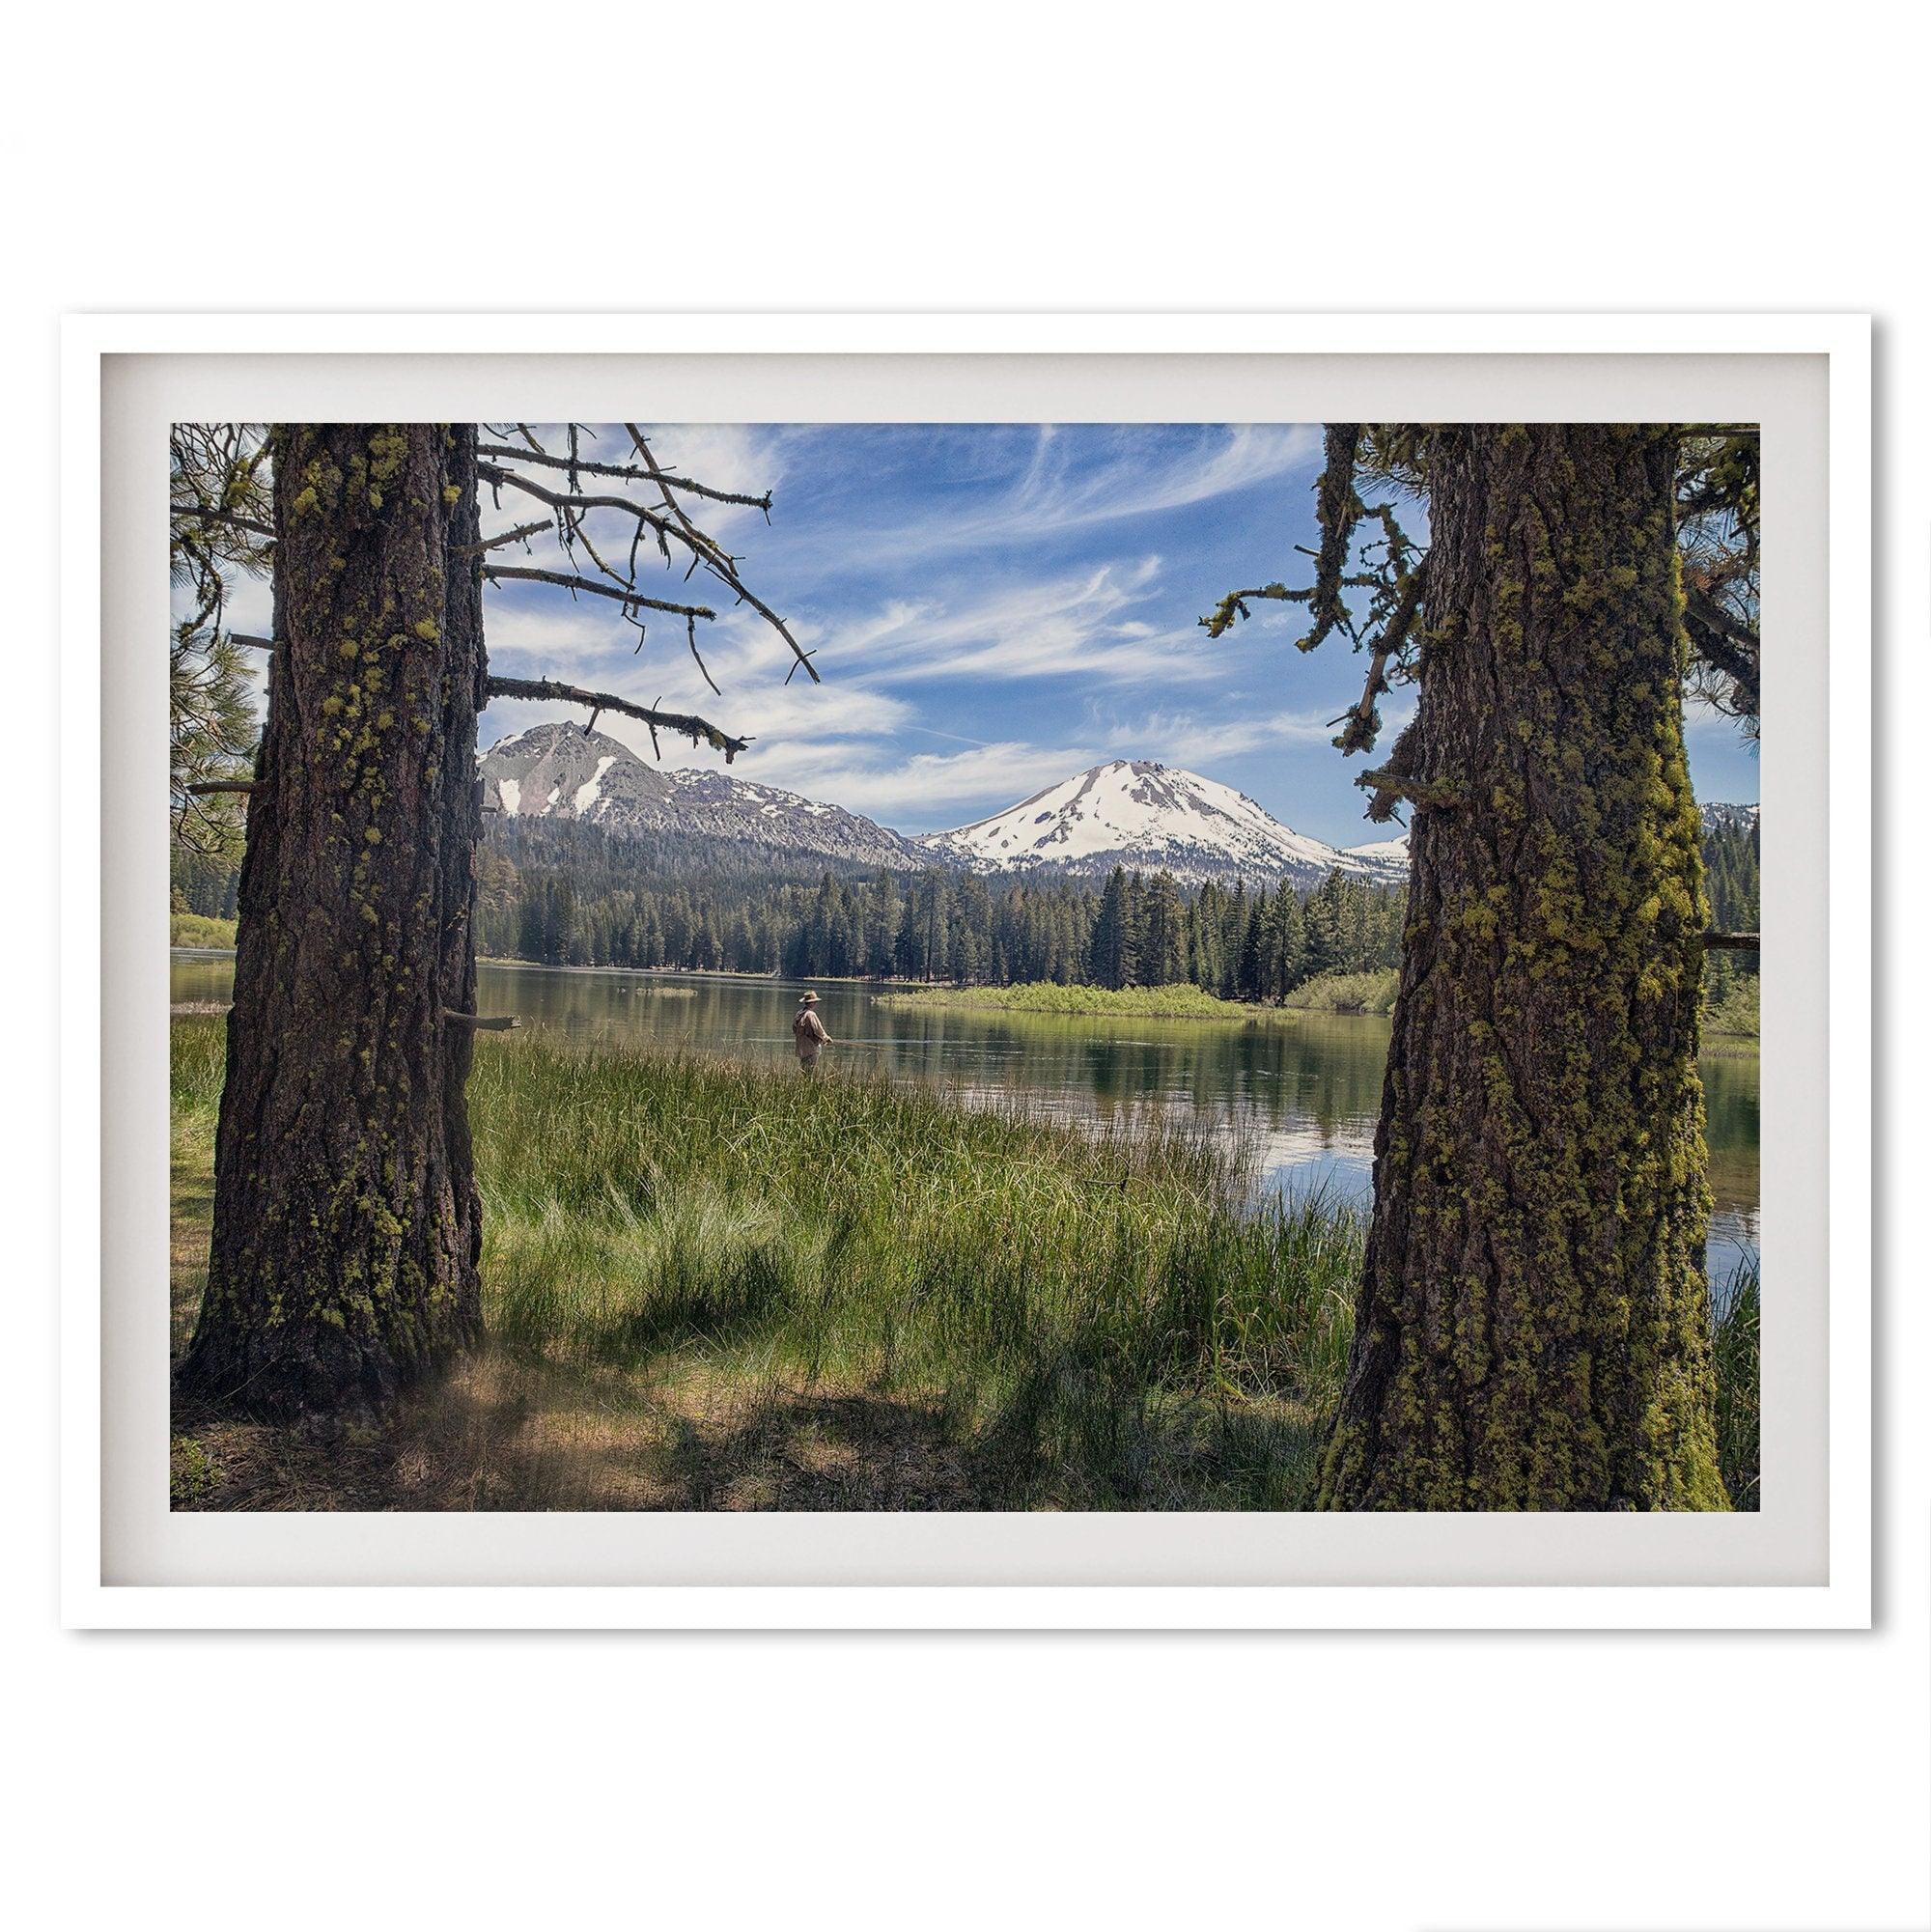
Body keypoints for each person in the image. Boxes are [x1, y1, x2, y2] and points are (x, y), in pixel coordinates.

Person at [792, 990, 832, 1073]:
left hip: (801, 1047)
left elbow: (794, 1028)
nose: (816, 1004)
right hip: (811, 1048)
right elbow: (818, 1030)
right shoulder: (811, 1014)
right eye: (815, 1002)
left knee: (805, 1072)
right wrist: (826, 1038)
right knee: (810, 1072)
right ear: (812, 1003)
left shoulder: (799, 1013)